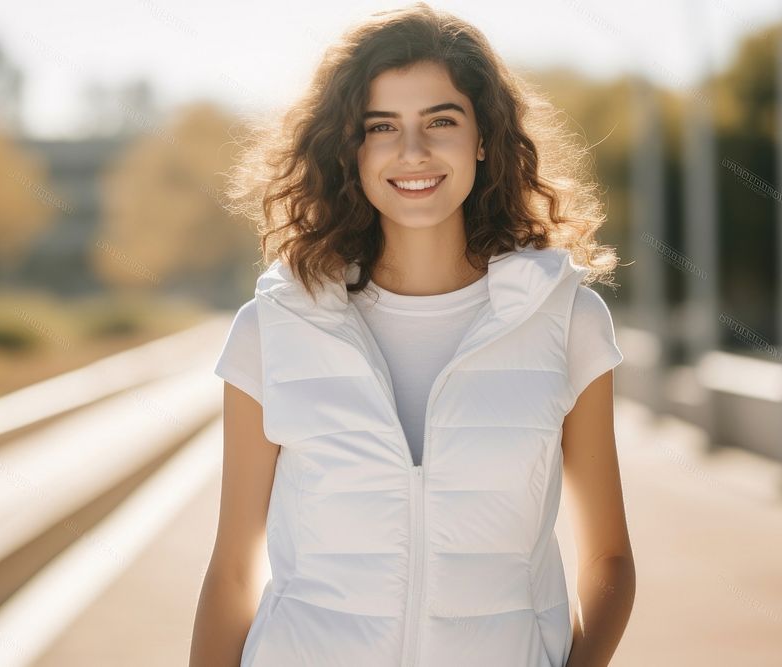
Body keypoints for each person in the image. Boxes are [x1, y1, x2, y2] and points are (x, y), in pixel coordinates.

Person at [190, 3, 635, 666]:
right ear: (352, 147)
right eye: (382, 127)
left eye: (441, 121)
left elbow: (609, 558)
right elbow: (231, 572)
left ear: (483, 137)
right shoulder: (274, 327)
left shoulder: (564, 319)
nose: (413, 152)